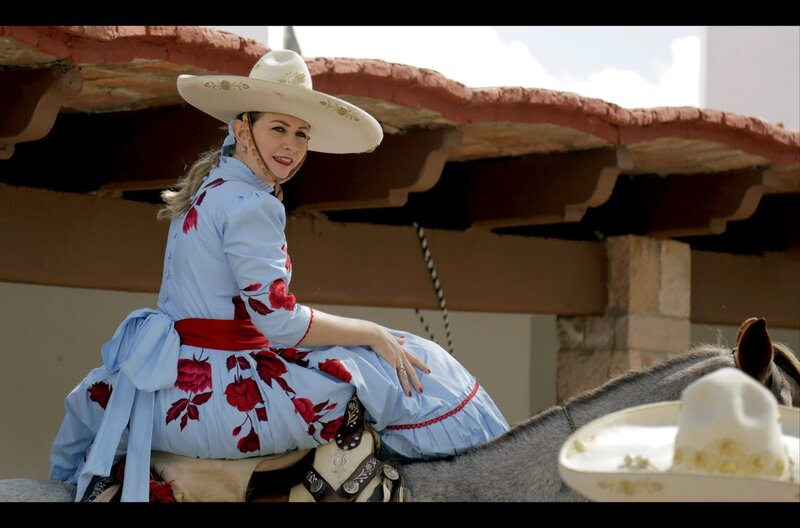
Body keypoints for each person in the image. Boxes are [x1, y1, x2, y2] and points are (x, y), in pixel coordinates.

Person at [49, 49, 509, 502]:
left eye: (301, 133)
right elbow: (279, 321)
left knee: (374, 359)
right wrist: (371, 332)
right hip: (218, 396)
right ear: (242, 129)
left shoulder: (211, 187)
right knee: (403, 369)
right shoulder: (251, 203)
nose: (291, 144)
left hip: (168, 379)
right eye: (278, 128)